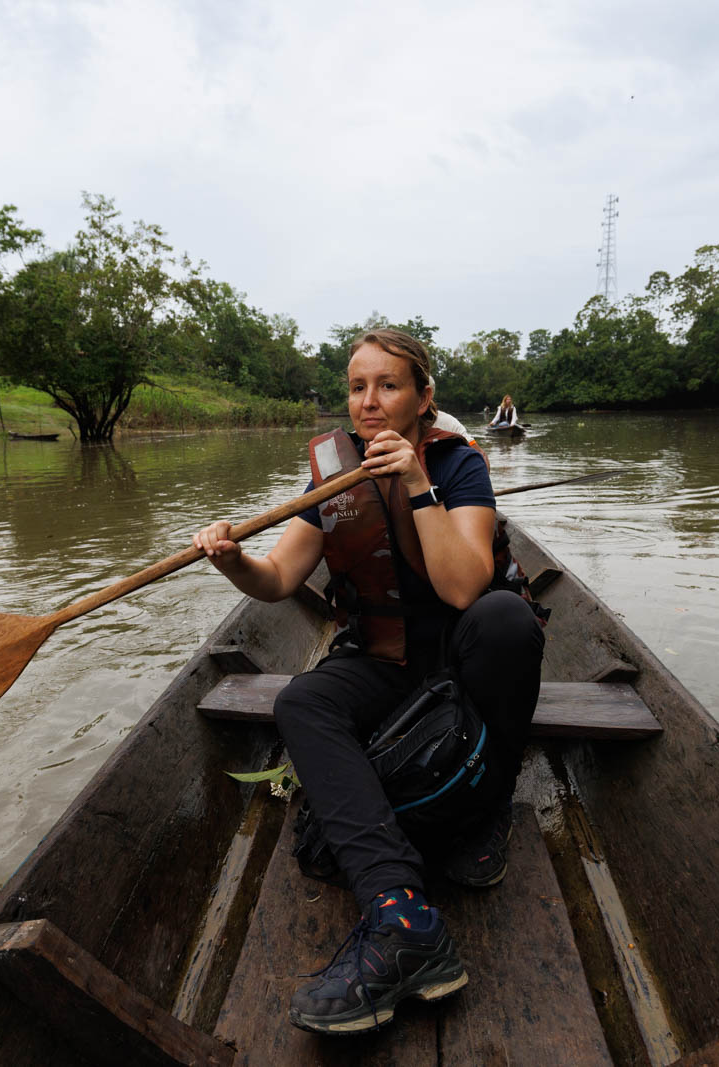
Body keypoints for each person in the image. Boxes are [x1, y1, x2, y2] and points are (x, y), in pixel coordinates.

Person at [192, 328, 544, 1035]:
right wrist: (231, 559)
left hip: (461, 665)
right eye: (357, 387)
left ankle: (489, 806)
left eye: (388, 385)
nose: (370, 401)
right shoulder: (332, 476)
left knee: (507, 620)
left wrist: (416, 482)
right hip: (384, 658)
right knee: (303, 700)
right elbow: (280, 578)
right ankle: (401, 910)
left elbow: (464, 584)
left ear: (423, 397)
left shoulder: (458, 466)